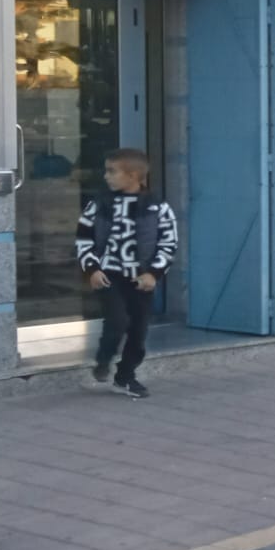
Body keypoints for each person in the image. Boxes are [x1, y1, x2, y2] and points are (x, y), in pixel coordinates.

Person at [74, 148, 179, 399]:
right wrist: (92, 268)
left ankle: (125, 376)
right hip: (110, 276)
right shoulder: (98, 205)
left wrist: (153, 273)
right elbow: (83, 239)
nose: (106, 176)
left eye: (112, 171)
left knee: (138, 331)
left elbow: (168, 244)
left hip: (140, 280)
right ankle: (102, 362)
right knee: (117, 321)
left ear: (133, 175)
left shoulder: (158, 208)